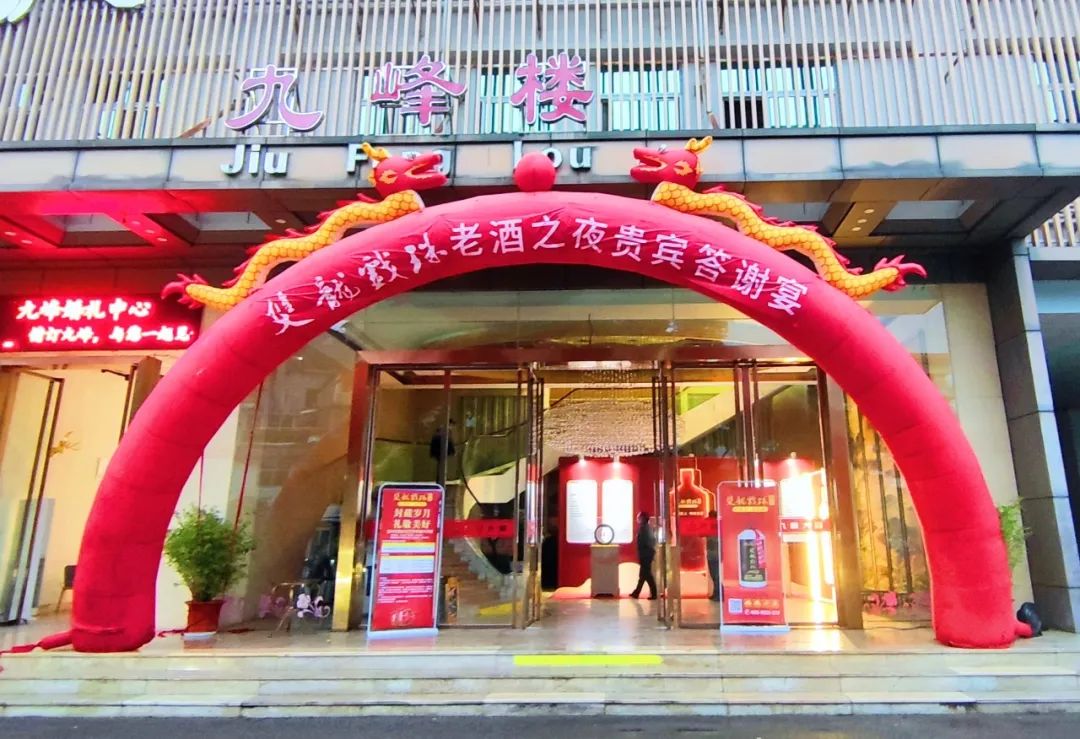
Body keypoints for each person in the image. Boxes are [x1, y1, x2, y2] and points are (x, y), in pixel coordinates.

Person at [630, 510, 658, 600]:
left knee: (646, 575)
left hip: (646, 555)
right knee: (643, 575)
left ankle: (653, 593)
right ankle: (636, 592)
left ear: (642, 518)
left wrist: (645, 552)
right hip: (646, 554)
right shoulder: (646, 528)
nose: (637, 519)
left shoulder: (644, 529)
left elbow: (647, 542)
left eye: (639, 517)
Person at [706, 510, 721, 601]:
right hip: (712, 554)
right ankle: (717, 593)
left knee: (716, 575)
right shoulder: (709, 526)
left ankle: (718, 594)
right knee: (714, 575)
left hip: (715, 554)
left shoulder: (719, 526)